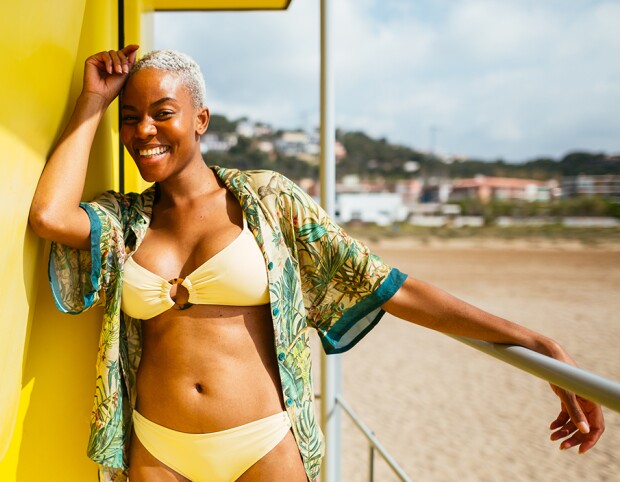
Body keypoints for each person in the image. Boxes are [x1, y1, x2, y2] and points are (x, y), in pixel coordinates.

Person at [29, 45, 605, 482]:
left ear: (201, 120)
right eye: (129, 118)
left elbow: (389, 287)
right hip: (158, 448)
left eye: (163, 113)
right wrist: (92, 102)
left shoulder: (270, 202)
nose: (144, 131)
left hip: (262, 445)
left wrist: (537, 344)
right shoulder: (124, 221)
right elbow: (50, 216)